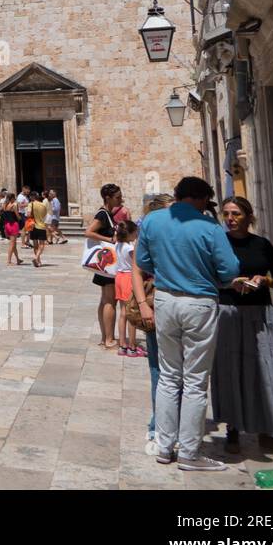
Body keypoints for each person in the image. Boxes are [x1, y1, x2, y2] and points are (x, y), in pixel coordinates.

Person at [135, 176, 240, 471]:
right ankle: (190, 454)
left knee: (168, 376)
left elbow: (143, 261)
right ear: (201, 198)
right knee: (194, 381)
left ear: (179, 195)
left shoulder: (153, 221)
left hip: (165, 300)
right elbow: (230, 270)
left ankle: (164, 446)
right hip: (198, 302)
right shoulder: (209, 226)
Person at [212, 195, 273, 452]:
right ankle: (233, 429)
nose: (230, 219)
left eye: (236, 214)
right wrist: (231, 283)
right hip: (228, 312)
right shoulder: (219, 245)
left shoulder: (262, 245)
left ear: (248, 217)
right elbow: (209, 278)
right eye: (226, 214)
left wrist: (265, 281)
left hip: (260, 313)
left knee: (269, 368)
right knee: (232, 369)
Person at [133, 194, 173, 449]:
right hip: (157, 304)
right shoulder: (149, 237)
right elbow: (138, 269)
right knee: (161, 368)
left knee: (173, 370)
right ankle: (160, 424)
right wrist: (143, 304)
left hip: (176, 307)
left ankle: (166, 424)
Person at [86, 183, 124, 349]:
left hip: (106, 265)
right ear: (108, 198)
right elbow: (88, 232)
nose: (121, 200)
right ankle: (109, 339)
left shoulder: (108, 214)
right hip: (108, 266)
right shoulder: (102, 214)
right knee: (110, 301)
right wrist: (110, 240)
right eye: (117, 197)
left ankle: (104, 337)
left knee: (105, 301)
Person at [112, 220, 141, 356]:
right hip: (129, 278)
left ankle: (122, 345)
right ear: (130, 233)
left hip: (119, 277)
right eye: (135, 232)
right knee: (132, 313)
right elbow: (138, 262)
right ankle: (132, 346)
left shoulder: (118, 245)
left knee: (123, 312)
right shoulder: (130, 248)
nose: (137, 234)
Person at [28, 191, 49, 267]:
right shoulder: (43, 205)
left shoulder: (31, 204)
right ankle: (37, 259)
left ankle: (38, 260)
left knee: (35, 245)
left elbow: (28, 214)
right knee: (42, 245)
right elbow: (44, 216)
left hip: (33, 226)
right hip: (41, 226)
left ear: (32, 197)